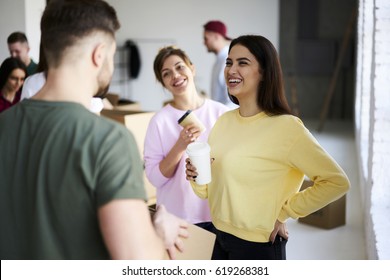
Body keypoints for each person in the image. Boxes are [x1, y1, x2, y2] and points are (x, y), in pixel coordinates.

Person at [0, 0, 188, 260]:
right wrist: (159, 233)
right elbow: (138, 264)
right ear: (99, 54)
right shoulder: (109, 141)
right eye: (110, 56)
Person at [185, 35, 350, 260]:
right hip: (218, 237)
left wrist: (284, 212)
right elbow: (207, 192)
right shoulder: (224, 122)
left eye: (243, 63)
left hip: (258, 246)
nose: (232, 69)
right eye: (229, 62)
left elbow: (336, 182)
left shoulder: (287, 128)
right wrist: (196, 176)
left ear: (264, 72)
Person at [144, 46, 229, 232]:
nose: (175, 75)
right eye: (167, 73)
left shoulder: (221, 113)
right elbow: (155, 179)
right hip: (179, 220)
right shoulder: (159, 122)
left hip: (221, 215)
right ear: (163, 82)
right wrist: (180, 145)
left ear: (192, 68)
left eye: (179, 67)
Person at [203, 20, 236, 109]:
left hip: (225, 117)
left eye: (206, 38)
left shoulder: (228, 61)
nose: (204, 43)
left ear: (216, 36)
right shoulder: (219, 61)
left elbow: (232, 101)